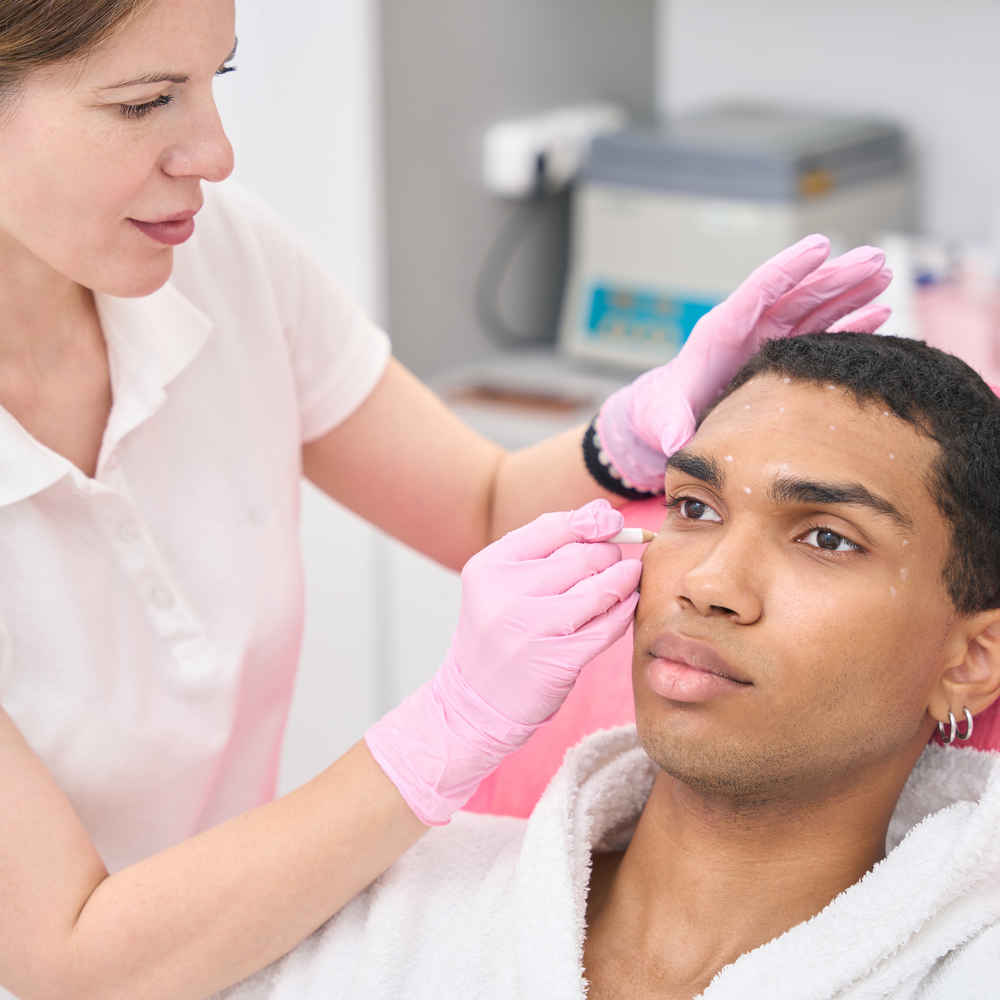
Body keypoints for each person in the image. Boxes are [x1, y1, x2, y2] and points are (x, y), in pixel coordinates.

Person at [0, 1, 892, 997]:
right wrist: (444, 732)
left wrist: (625, 440)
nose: (215, 154)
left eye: (220, 78)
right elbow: (63, 963)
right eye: (144, 103)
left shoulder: (218, 259)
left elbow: (479, 504)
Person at [218, 332, 1000, 999]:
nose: (708, 584)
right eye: (695, 507)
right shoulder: (386, 914)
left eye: (826, 538)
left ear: (968, 661)